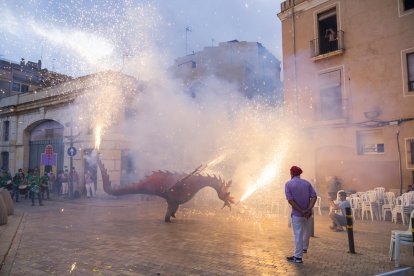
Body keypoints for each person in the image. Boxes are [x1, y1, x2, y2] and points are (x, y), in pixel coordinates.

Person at [285, 166, 317, 264]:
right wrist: (308, 209)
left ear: (291, 173)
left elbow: (290, 200)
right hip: (308, 214)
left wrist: (301, 211)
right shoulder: (307, 183)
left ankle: (298, 257)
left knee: (298, 235)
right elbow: (314, 197)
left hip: (297, 214)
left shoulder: (288, 184)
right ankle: (303, 249)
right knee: (306, 232)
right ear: (300, 174)